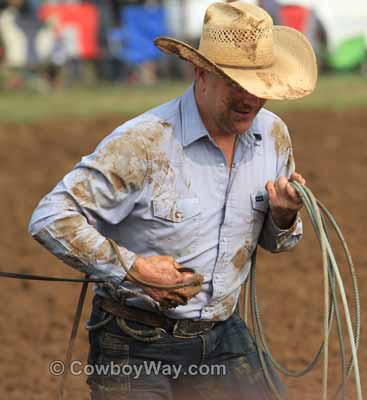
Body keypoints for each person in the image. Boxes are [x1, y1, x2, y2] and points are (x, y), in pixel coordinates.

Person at [28, 1, 317, 399]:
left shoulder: (273, 137)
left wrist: (283, 218)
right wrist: (132, 270)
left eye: (260, 86)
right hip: (134, 340)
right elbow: (51, 216)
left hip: (222, 334)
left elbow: (278, 241)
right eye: (236, 84)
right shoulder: (143, 143)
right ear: (201, 74)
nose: (251, 98)